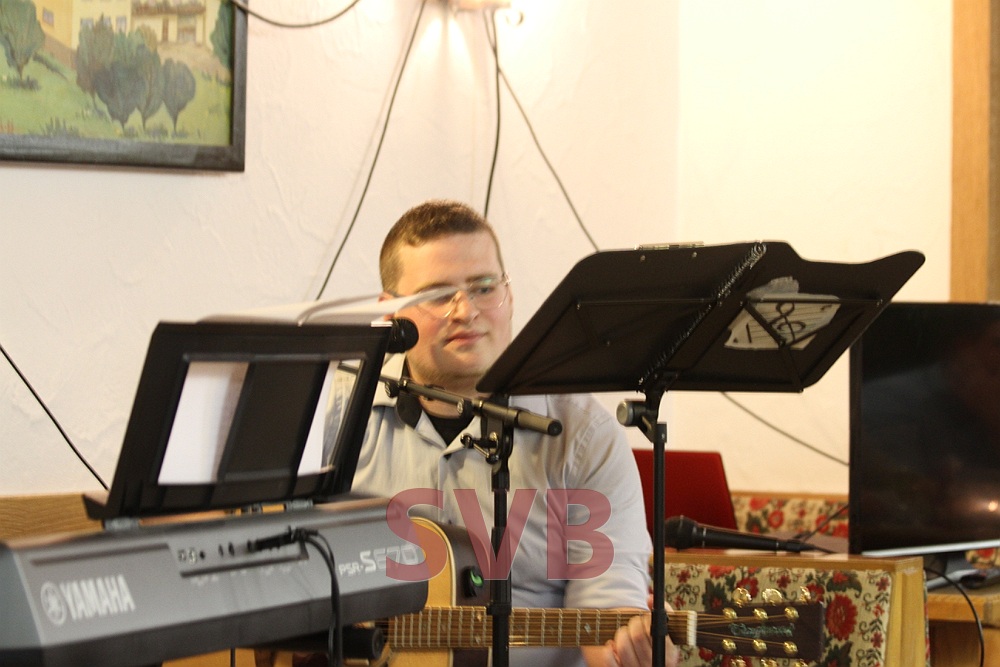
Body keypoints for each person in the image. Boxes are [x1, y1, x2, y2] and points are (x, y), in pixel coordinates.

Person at [325, 199, 679, 667]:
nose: (465, 310)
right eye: (437, 294)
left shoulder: (582, 436)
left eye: (484, 287)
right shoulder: (331, 417)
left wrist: (630, 651)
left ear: (509, 297)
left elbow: (607, 606)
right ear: (390, 313)